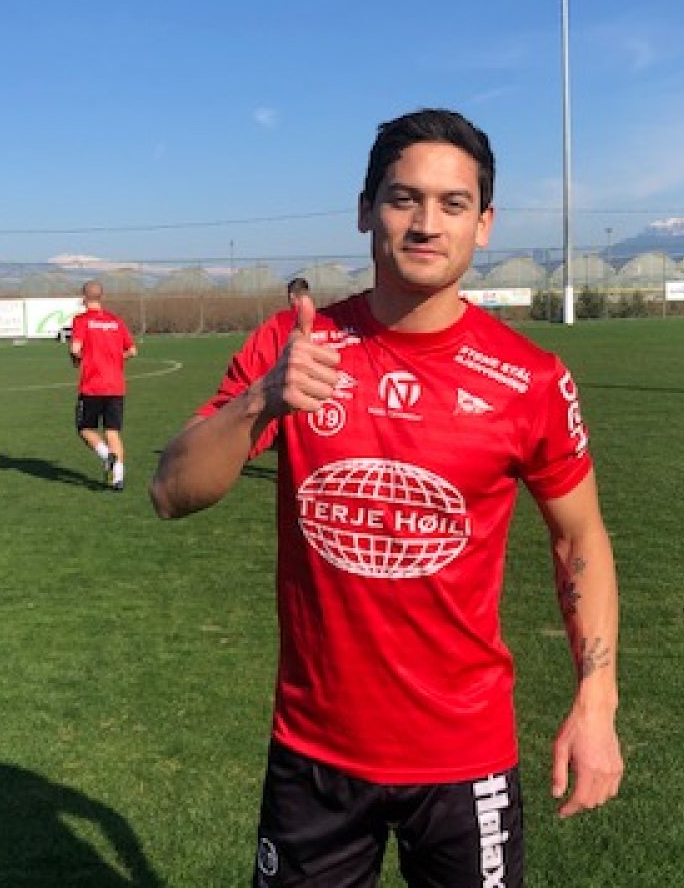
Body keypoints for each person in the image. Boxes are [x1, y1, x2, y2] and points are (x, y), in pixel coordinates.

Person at [150, 108, 623, 887]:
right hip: (315, 755)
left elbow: (581, 539)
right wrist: (262, 399)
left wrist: (596, 703)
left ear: (484, 223)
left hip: (465, 757)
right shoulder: (294, 347)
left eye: (453, 203)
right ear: (366, 209)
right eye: (404, 199)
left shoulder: (531, 380)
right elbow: (170, 491)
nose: (426, 224)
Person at [69, 280, 137, 490]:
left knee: (85, 428)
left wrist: (78, 359)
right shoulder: (116, 321)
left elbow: (75, 349)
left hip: (93, 385)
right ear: (102, 297)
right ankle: (118, 478)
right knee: (112, 432)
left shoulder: (81, 320)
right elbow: (132, 351)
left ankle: (107, 456)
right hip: (116, 385)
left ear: (83, 298)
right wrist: (114, 360)